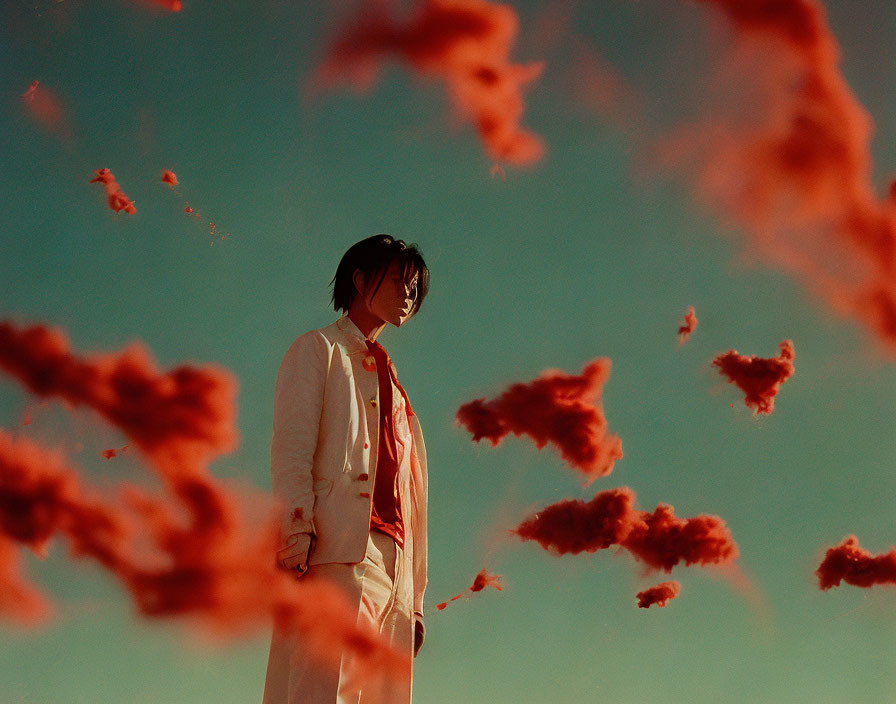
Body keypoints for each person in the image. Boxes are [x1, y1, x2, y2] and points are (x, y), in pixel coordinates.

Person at [263, 234, 430, 704]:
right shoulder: (319, 350)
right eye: (398, 279)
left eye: (413, 285)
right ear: (359, 280)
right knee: (322, 689)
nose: (408, 293)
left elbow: (413, 501)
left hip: (395, 568)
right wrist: (296, 532)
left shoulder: (399, 394)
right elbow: (292, 447)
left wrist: (414, 602)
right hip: (337, 552)